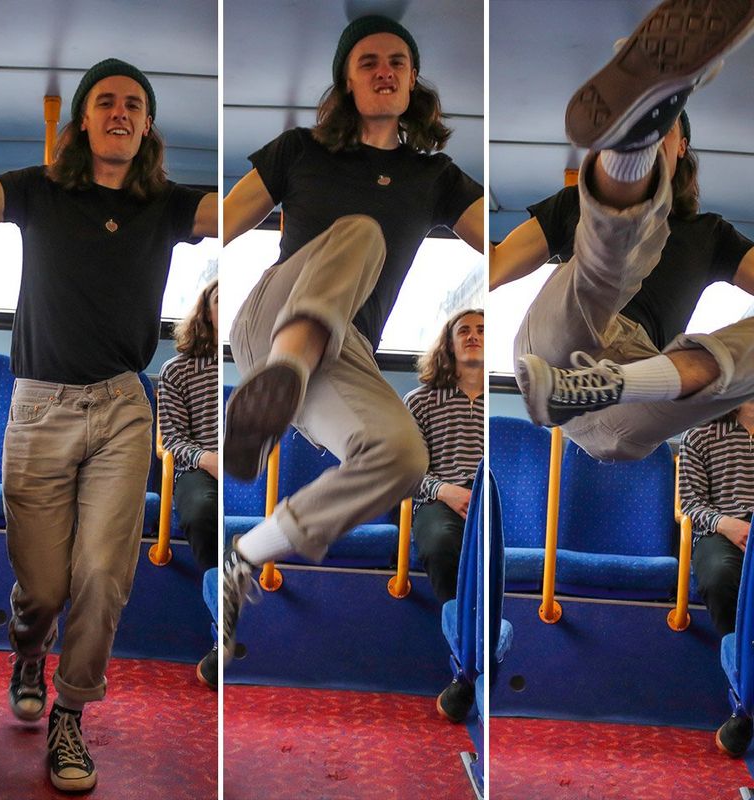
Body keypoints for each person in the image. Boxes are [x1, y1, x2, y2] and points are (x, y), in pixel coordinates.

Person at [0, 58, 217, 791]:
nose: (120, 111)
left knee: (102, 575)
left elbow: (242, 212)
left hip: (123, 407)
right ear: (83, 120)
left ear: (148, 125)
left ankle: (70, 713)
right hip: (39, 405)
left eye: (134, 103)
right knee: (42, 588)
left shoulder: (166, 205)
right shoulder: (39, 190)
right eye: (106, 101)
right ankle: (28, 652)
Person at [221, 15, 484, 665]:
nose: (384, 71)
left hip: (342, 352)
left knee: (403, 457)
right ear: (346, 80)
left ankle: (245, 556)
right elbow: (218, 221)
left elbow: (506, 251)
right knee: (362, 232)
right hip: (272, 323)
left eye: (397, 61)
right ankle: (281, 378)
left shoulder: (435, 176)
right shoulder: (299, 151)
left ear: (413, 80)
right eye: (368, 61)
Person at [488, 0, 754, 464]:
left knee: (726, 366)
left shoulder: (711, 234)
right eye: (655, 126)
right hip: (560, 341)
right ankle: (633, 142)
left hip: (638, 388)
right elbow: (495, 266)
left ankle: (608, 384)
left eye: (665, 130)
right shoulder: (575, 203)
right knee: (618, 254)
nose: (664, 140)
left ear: (682, 146)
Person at [403, 308, 484, 723]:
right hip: (438, 501)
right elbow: (406, 472)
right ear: (449, 344)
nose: (473, 336)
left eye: (482, 330)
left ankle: (468, 675)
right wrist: (446, 492)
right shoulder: (419, 402)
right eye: (463, 330)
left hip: (487, 504)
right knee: (440, 542)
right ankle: (468, 660)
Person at [679, 400, 754, 757]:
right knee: (720, 576)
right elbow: (690, 504)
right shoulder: (700, 434)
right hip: (721, 532)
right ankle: (745, 698)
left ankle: (745, 713)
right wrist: (729, 525)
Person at [158, 279, 219, 690]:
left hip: (245, 471)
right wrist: (207, 459)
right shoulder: (177, 371)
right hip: (197, 468)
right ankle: (222, 627)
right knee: (201, 510)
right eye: (220, 300)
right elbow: (172, 439)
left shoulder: (255, 365)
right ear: (205, 311)